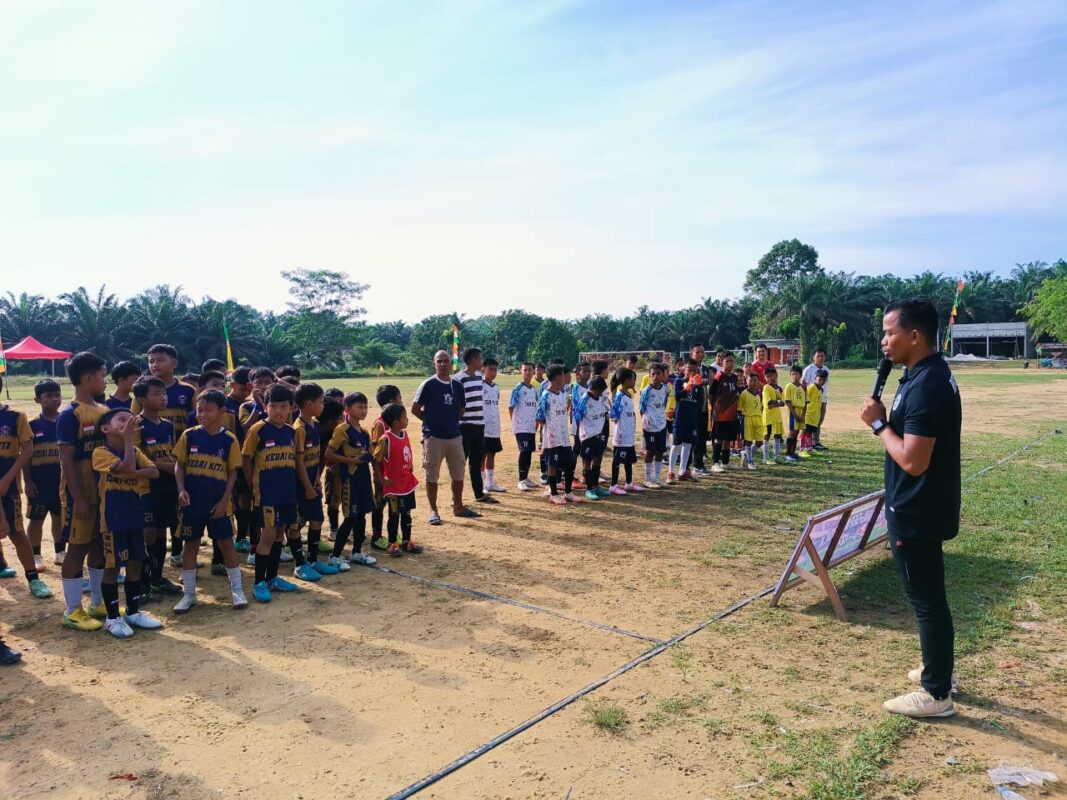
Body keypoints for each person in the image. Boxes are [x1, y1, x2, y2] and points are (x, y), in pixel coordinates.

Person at [860, 299, 961, 718]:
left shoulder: (926, 386)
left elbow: (914, 460)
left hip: (916, 509)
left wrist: (879, 424)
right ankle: (936, 670)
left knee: (927, 602)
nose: (883, 341)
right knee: (930, 598)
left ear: (915, 336)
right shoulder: (924, 376)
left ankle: (937, 693)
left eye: (889, 333)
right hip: (923, 505)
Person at [172, 389, 248, 613]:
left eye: (208, 410)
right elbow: (180, 465)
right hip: (192, 503)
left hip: (218, 503)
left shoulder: (228, 439)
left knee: (226, 544)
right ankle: (189, 594)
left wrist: (225, 501)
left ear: (222, 411)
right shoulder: (189, 435)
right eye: (199, 409)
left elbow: (233, 473)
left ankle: (237, 590)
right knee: (191, 546)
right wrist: (181, 489)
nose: (202, 414)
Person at [91, 408, 165, 637]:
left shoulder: (131, 449)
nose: (128, 422)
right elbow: (128, 468)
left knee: (135, 562)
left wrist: (130, 470)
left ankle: (133, 611)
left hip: (134, 514)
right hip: (113, 517)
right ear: (105, 429)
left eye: (129, 419)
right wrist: (130, 463)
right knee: (113, 566)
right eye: (121, 420)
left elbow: (153, 472)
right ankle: (112, 617)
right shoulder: (101, 452)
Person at [57, 351, 109, 631]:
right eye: (102, 375)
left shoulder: (103, 411)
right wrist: (77, 498)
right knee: (77, 549)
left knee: (99, 547)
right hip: (80, 496)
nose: (105, 380)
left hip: (102, 493)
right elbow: (66, 459)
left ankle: (98, 602)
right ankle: (72, 610)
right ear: (88, 378)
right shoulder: (70, 414)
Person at [242, 383, 302, 603]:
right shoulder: (258, 429)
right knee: (266, 536)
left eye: (283, 406)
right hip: (266, 495)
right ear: (265, 406)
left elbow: (295, 462)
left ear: (291, 408)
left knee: (279, 534)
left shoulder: (291, 432)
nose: (278, 411)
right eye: (273, 406)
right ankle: (259, 582)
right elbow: (246, 458)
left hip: (287, 493)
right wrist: (252, 486)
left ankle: (273, 577)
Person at [0, 376, 53, 599]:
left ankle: (33, 579)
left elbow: (28, 450)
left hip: (7, 486)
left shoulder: (14, 417)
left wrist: (7, 478)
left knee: (16, 532)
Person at [131, 377, 184, 598]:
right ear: (142, 399)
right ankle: (140, 581)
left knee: (161, 529)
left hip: (167, 485)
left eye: (164, 393)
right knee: (148, 532)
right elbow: (134, 458)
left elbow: (171, 453)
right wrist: (170, 467)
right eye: (156, 394)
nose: (163, 398)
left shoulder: (167, 425)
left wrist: (173, 468)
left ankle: (157, 577)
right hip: (146, 486)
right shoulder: (135, 425)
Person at [411, 350, 477, 524]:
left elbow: (462, 409)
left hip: (455, 436)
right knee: (432, 475)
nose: (443, 364)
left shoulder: (457, 385)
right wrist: (431, 421)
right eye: (439, 361)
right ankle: (433, 510)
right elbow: (415, 408)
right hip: (433, 437)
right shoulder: (428, 384)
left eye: (446, 361)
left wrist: (450, 419)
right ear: (434, 364)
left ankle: (458, 506)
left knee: (458, 474)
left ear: (451, 363)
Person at [326, 392, 377, 568]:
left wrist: (368, 456)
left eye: (366, 407)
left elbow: (370, 452)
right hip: (349, 479)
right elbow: (329, 454)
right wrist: (352, 460)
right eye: (359, 407)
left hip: (364, 477)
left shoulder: (364, 432)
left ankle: (357, 552)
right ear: (347, 409)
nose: (364, 410)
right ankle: (335, 555)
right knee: (350, 517)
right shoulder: (342, 430)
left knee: (362, 516)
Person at [293, 382, 338, 577]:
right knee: (295, 525)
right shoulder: (299, 428)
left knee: (317, 519)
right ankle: (300, 564)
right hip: (299, 485)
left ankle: (312, 560)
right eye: (320, 402)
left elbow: (317, 456)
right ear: (309, 404)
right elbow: (298, 461)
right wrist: (307, 486)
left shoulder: (315, 425)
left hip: (312, 482)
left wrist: (317, 480)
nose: (323, 406)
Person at [372, 403, 423, 556]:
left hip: (407, 483)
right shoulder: (385, 439)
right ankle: (392, 543)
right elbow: (375, 459)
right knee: (394, 515)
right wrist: (381, 479)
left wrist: (410, 466)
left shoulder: (404, 434)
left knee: (407, 514)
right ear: (395, 422)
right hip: (394, 486)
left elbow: (406, 452)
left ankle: (406, 541)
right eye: (405, 418)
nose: (407, 420)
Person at [25, 379, 65, 569]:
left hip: (61, 482)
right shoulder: (31, 425)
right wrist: (28, 481)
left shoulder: (66, 421)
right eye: (48, 396)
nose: (54, 399)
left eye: (57, 395)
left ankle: (60, 551)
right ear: (37, 400)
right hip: (39, 483)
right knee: (36, 520)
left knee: (59, 517)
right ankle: (35, 555)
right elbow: (25, 457)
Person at [536, 365, 580, 506]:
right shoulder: (546, 395)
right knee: (552, 465)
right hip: (552, 437)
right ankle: (553, 494)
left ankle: (568, 493)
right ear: (555, 377)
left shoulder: (561, 393)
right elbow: (539, 417)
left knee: (568, 463)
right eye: (562, 375)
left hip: (564, 436)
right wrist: (550, 427)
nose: (565, 378)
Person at [457, 348, 497, 505]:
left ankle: (479, 494)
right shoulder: (459, 379)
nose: (482, 362)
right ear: (474, 360)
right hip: (465, 426)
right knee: (461, 461)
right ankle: (457, 497)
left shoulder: (479, 376)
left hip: (480, 425)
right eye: (480, 359)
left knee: (476, 461)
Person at [369, 385, 403, 550]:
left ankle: (392, 534)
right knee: (379, 504)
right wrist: (379, 476)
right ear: (392, 401)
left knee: (393, 505)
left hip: (393, 476)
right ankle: (376, 536)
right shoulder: (380, 424)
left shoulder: (394, 423)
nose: (402, 401)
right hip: (383, 475)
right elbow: (375, 453)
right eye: (400, 398)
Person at [573, 377, 610, 500]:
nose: (600, 393)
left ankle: (595, 486)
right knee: (587, 462)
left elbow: (604, 414)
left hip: (599, 435)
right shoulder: (584, 400)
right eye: (599, 391)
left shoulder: (600, 399)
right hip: (588, 436)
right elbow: (577, 418)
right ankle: (589, 489)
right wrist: (580, 436)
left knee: (598, 459)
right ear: (593, 389)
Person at [608, 368, 643, 495]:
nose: (634, 381)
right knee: (617, 460)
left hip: (629, 435)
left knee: (628, 460)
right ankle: (613, 485)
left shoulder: (628, 395)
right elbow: (613, 415)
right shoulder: (619, 396)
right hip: (621, 435)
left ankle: (629, 483)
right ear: (627, 380)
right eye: (633, 379)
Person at [668, 360, 703, 483]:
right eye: (689, 370)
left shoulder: (698, 385)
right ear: (684, 369)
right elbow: (677, 397)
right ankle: (670, 472)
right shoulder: (679, 381)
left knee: (688, 445)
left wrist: (697, 386)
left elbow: (699, 403)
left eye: (694, 370)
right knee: (676, 444)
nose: (692, 372)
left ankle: (682, 471)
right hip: (680, 418)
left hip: (692, 419)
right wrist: (687, 387)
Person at [509, 362, 540, 491]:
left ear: (533, 372)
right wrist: (515, 422)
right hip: (521, 427)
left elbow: (536, 408)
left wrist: (536, 422)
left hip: (531, 426)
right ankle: (521, 480)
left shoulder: (533, 390)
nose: (527, 372)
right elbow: (511, 407)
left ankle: (526, 477)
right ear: (521, 372)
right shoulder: (518, 389)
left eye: (529, 370)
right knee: (524, 451)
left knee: (529, 452)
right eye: (525, 370)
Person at [708, 352, 741, 473]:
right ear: (722, 363)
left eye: (732, 361)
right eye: (727, 361)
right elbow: (711, 394)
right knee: (719, 439)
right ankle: (715, 463)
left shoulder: (734, 377)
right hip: (720, 414)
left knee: (728, 439)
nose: (730, 363)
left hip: (732, 414)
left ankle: (725, 462)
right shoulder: (719, 376)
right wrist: (715, 408)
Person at [639, 363, 670, 488]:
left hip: (661, 424)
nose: (656, 376)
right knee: (650, 451)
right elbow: (642, 408)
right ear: (649, 375)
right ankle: (647, 479)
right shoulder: (647, 391)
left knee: (660, 451)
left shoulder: (665, 389)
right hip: (650, 426)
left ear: (663, 375)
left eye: (658, 373)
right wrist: (646, 420)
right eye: (653, 374)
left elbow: (664, 403)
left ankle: (656, 478)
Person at [480, 357, 506, 493]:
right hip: (482, 427)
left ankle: (490, 482)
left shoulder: (496, 387)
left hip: (494, 427)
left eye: (495, 369)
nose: (493, 372)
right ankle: (482, 484)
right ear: (483, 369)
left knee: (492, 454)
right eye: (490, 369)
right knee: (481, 456)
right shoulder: (479, 385)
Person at [687, 345, 711, 474]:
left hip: (703, 408)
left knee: (702, 436)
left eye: (702, 352)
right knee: (692, 437)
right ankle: (687, 465)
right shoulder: (689, 369)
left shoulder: (706, 369)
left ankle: (698, 464)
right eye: (697, 352)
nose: (700, 354)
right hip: (692, 409)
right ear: (692, 354)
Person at [803, 349, 831, 450]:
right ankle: (807, 444)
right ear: (813, 357)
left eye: (822, 356)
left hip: (822, 399)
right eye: (818, 356)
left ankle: (816, 442)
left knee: (819, 420)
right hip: (811, 401)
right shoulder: (809, 369)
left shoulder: (827, 369)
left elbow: (825, 386)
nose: (820, 358)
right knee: (809, 423)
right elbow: (804, 383)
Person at [738, 372, 764, 471]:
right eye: (750, 381)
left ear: (758, 382)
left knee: (759, 442)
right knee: (748, 441)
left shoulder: (758, 394)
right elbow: (739, 409)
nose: (753, 383)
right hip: (747, 418)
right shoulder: (744, 394)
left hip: (758, 418)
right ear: (746, 382)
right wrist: (742, 419)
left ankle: (746, 454)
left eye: (755, 381)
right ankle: (750, 461)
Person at [761, 367, 786, 465]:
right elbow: (769, 404)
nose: (769, 378)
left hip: (777, 416)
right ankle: (765, 458)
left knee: (778, 435)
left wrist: (776, 403)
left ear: (776, 375)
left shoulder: (779, 388)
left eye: (771, 376)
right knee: (766, 435)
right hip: (769, 416)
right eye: (767, 377)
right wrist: (777, 402)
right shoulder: (766, 387)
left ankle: (776, 456)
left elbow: (783, 403)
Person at [782, 365, 806, 463]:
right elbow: (788, 401)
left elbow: (805, 403)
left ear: (800, 375)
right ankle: (787, 453)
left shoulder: (803, 387)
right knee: (792, 432)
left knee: (797, 432)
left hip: (801, 411)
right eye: (792, 374)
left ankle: (793, 452)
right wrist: (795, 414)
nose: (794, 376)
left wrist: (803, 415)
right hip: (793, 411)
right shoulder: (789, 386)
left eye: (796, 374)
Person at [801, 371, 826, 456]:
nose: (821, 381)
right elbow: (805, 399)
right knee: (805, 431)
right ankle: (801, 449)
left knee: (810, 433)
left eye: (823, 380)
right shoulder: (811, 387)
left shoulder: (821, 389)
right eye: (819, 379)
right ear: (815, 379)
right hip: (808, 414)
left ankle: (809, 448)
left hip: (815, 415)